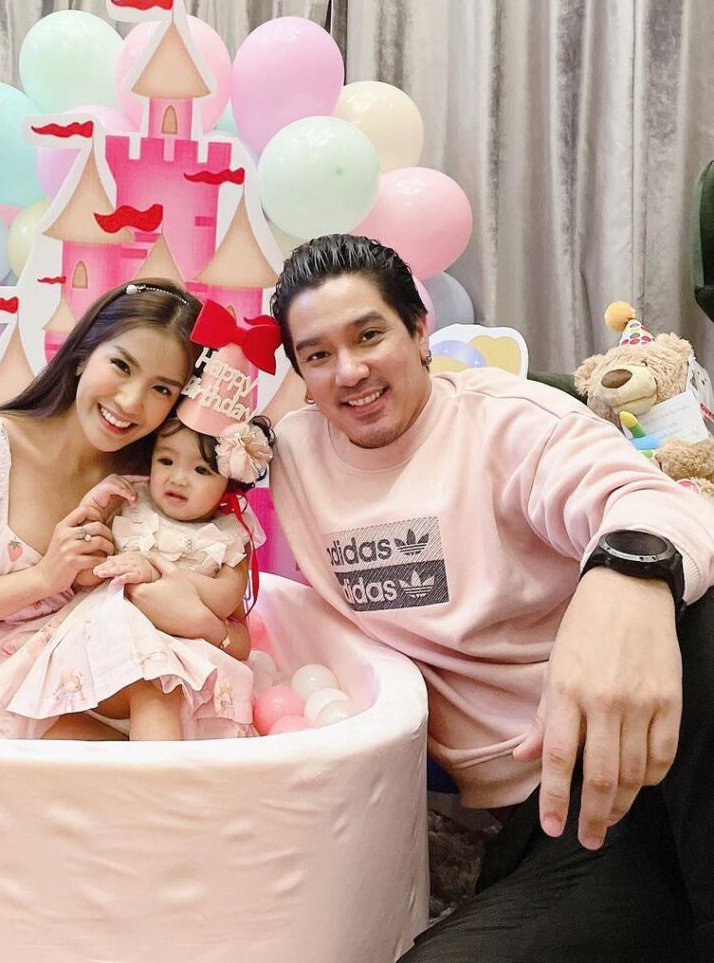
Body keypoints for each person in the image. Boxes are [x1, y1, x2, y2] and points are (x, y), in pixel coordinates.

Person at [265, 234, 714, 960]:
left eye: (370, 335)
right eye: (317, 355)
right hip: (561, 821)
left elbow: (648, 499)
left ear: (419, 333)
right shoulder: (289, 453)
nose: (349, 371)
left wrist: (622, 576)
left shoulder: (509, 421)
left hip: (659, 736)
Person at [0, 280, 247, 740]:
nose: (130, 402)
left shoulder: (156, 480)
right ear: (82, 354)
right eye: (121, 365)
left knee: (161, 740)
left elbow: (238, 636)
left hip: (124, 697)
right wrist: (43, 579)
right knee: (130, 770)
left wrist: (198, 620)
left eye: (161, 389)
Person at [0, 408, 272, 741]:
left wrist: (156, 572)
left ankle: (152, 769)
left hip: (175, 662)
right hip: (100, 645)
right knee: (51, 725)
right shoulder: (130, 501)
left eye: (201, 470)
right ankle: (119, 750)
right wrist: (92, 513)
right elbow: (87, 577)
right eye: (166, 461)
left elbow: (225, 598)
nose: (178, 478)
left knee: (156, 688)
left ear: (228, 482)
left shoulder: (229, 533)